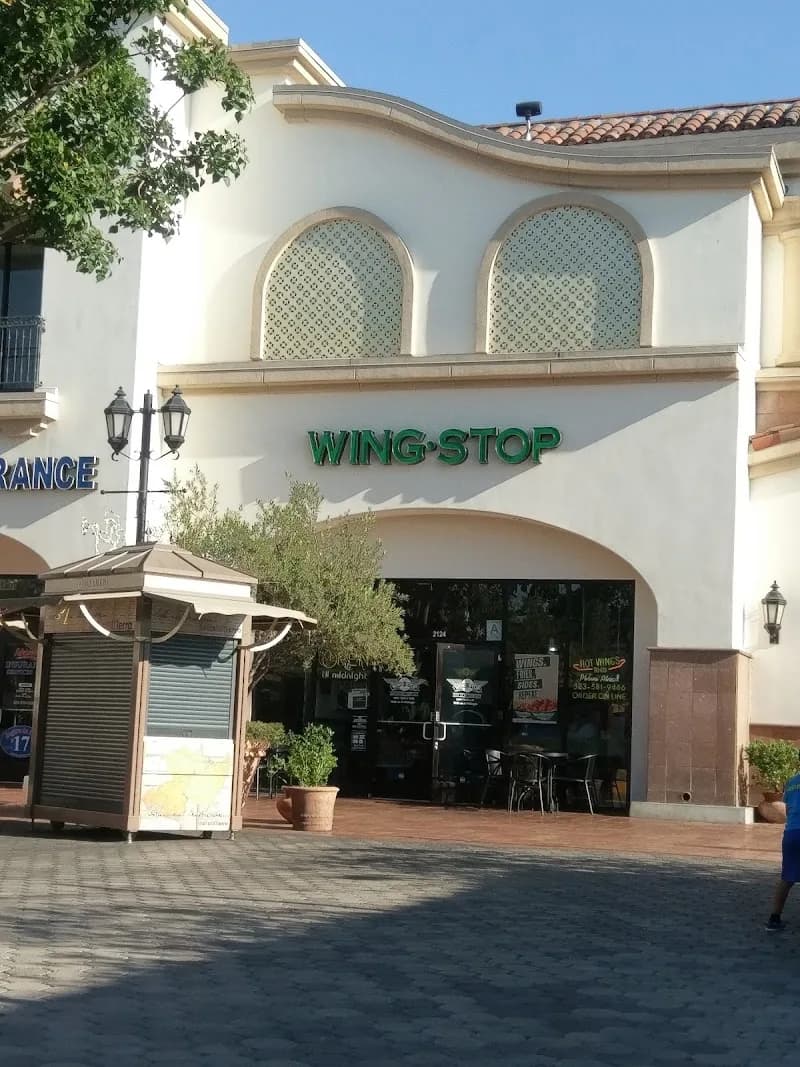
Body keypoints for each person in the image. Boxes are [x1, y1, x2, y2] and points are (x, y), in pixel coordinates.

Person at [766, 767, 800, 931]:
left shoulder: (792, 782)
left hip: (791, 833)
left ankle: (774, 918)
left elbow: (787, 809)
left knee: (787, 878)